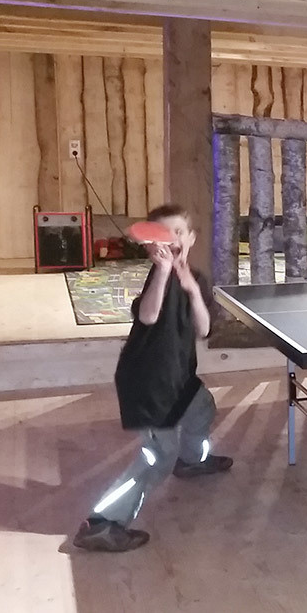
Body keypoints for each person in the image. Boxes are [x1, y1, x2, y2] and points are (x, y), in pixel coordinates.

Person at [72, 204, 233, 552]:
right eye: (162, 234)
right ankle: (102, 523)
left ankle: (191, 461)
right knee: (158, 457)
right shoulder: (156, 278)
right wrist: (163, 272)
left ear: (190, 238)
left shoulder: (196, 279)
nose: (172, 239)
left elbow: (204, 330)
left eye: (178, 232)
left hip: (179, 377)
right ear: (151, 245)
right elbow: (148, 316)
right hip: (148, 383)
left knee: (202, 407)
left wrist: (192, 290)